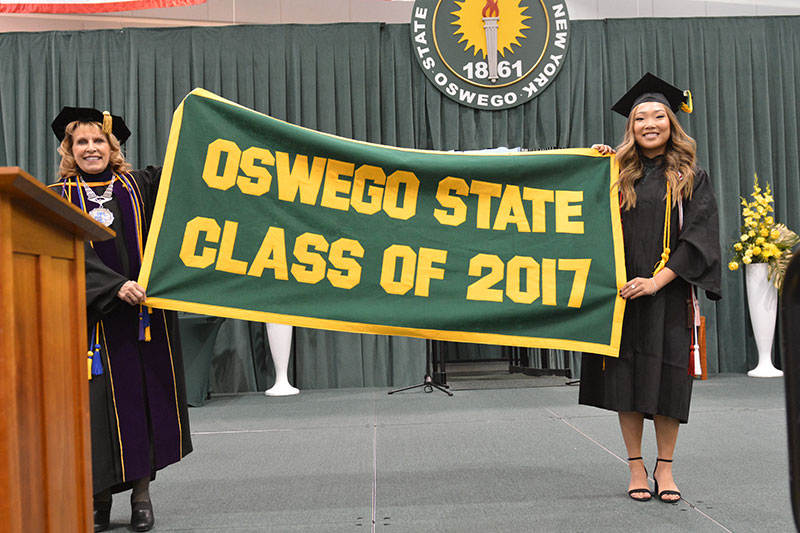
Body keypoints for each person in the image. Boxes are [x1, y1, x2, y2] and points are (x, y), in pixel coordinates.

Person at [578, 74, 721, 503]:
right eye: (640, 117)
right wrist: (595, 164)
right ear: (631, 127)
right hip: (621, 295)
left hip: (668, 293)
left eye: (658, 115)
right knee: (626, 380)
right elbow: (583, 219)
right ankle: (636, 465)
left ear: (672, 123)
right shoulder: (616, 173)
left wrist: (657, 282)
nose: (650, 123)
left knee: (668, 381)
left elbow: (699, 238)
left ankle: (666, 467)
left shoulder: (692, 177)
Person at [49, 107, 192, 531]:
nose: (91, 148)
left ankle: (142, 497)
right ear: (70, 150)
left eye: (99, 141)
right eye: (81, 142)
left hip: (144, 320)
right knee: (91, 413)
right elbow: (62, 256)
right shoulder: (54, 196)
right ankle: (97, 502)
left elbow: (190, 170)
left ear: (113, 147)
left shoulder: (139, 185)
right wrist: (112, 286)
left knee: (143, 403)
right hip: (89, 322)